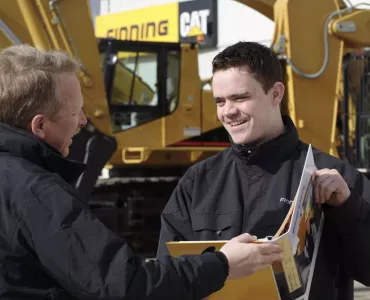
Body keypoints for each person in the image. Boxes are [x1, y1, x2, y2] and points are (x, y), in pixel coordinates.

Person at [0, 44, 285, 300]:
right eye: (75, 113)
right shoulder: (36, 193)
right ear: (39, 126)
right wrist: (223, 265)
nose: (84, 122)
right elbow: (125, 285)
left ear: (276, 94)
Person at [157, 41, 370, 300]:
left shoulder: (335, 178)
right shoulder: (196, 183)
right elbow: (168, 280)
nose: (228, 112)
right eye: (220, 101)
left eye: (240, 97)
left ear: (276, 94)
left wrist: (348, 208)